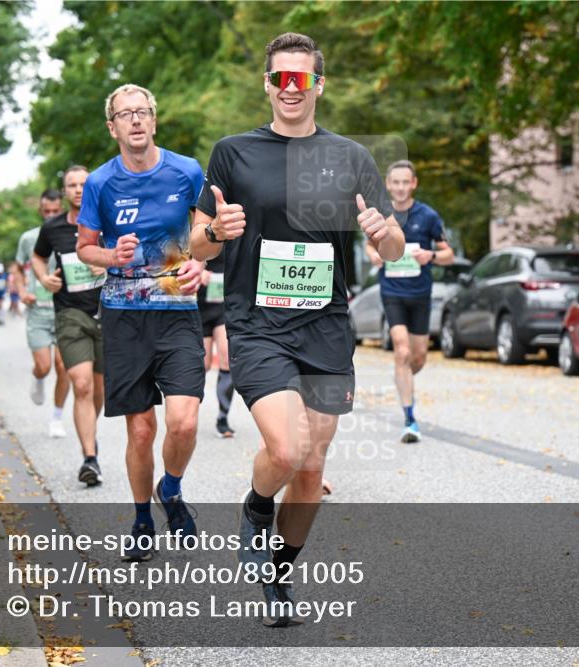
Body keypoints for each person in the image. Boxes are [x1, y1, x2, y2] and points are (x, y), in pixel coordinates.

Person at [191, 33, 404, 626]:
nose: (291, 88)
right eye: (280, 78)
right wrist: (217, 232)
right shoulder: (232, 153)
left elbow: (393, 244)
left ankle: (280, 573)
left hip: (327, 328)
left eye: (301, 78)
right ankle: (257, 507)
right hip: (258, 324)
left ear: (317, 84)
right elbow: (196, 243)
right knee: (288, 449)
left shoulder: (352, 157)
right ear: (267, 84)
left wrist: (379, 231)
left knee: (312, 468)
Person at [75, 83, 206, 561]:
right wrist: (111, 255)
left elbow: (208, 232)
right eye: (125, 114)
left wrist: (202, 262)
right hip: (125, 314)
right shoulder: (100, 183)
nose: (135, 120)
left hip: (177, 308)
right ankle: (142, 519)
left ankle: (169, 488)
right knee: (141, 431)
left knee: (185, 422)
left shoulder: (187, 170)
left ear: (154, 120)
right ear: (112, 127)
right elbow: (84, 247)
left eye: (142, 112)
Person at [366, 160, 454, 443]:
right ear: (388, 185)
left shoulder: (428, 216)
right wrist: (373, 255)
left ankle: (403, 377)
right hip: (392, 292)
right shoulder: (381, 215)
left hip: (420, 294)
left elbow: (448, 254)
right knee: (401, 351)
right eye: (396, 182)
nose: (401, 187)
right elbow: (369, 244)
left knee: (417, 358)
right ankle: (410, 419)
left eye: (406, 182)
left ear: (414, 183)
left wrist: (432, 256)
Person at [33, 166, 107, 487]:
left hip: (108, 313)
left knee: (99, 390)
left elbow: (131, 255)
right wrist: (43, 277)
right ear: (64, 191)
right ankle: (89, 458)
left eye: (84, 184)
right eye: (72, 185)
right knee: (82, 385)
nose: (78, 189)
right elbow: (38, 257)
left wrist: (102, 258)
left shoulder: (110, 221)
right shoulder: (52, 229)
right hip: (70, 315)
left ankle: (90, 435)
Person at [13, 188, 69, 439]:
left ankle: (56, 418)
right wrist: (22, 291)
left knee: (63, 366)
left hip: (65, 311)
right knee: (44, 367)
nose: (50, 215)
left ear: (62, 208)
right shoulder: (29, 238)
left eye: (55, 211)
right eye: (46, 211)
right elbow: (16, 269)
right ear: (40, 211)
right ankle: (37, 378)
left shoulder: (72, 233)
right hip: (38, 312)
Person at [197, 253, 237, 438]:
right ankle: (188, 413)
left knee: (226, 359)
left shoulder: (233, 232)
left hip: (223, 305)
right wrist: (197, 269)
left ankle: (223, 418)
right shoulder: (192, 232)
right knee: (201, 365)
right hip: (198, 306)